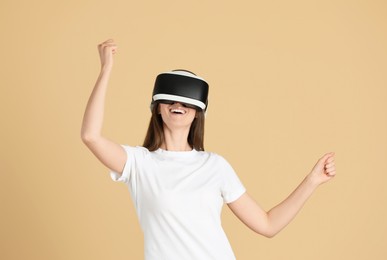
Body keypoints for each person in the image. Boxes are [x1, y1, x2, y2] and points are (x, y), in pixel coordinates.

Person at [81, 39, 337, 260]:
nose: (177, 104)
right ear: (157, 107)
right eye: (169, 99)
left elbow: (267, 225)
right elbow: (91, 136)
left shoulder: (215, 166)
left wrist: (312, 181)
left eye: (186, 101)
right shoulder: (139, 163)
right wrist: (106, 69)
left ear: (197, 113)